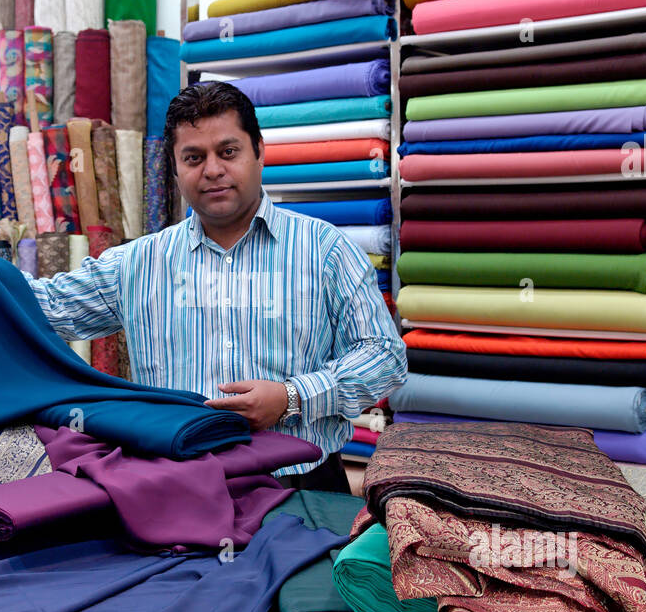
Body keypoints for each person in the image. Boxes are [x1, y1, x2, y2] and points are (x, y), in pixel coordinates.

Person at [21, 81, 406, 491]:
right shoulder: (135, 264)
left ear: (259, 150)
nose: (212, 170)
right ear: (174, 167)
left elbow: (384, 356)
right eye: (193, 157)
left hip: (299, 484)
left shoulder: (325, 250)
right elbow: (43, 307)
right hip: (174, 485)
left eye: (228, 152)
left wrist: (293, 397)